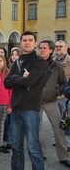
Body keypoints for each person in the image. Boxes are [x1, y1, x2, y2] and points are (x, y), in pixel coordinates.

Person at [4, 31, 47, 170]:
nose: (27, 42)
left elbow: (29, 82)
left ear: (35, 43)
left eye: (30, 40)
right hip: (16, 108)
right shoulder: (17, 61)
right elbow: (6, 82)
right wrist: (20, 78)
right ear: (20, 43)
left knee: (33, 147)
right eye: (24, 40)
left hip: (30, 109)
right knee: (16, 147)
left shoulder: (39, 62)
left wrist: (17, 78)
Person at [37, 39, 70, 167]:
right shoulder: (35, 64)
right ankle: (42, 153)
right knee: (37, 130)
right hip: (36, 102)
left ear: (51, 50)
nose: (42, 50)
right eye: (40, 48)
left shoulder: (57, 66)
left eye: (45, 48)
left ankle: (63, 156)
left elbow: (63, 83)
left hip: (51, 102)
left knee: (59, 129)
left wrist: (58, 91)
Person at [4, 47, 23, 149]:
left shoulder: (22, 67)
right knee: (11, 120)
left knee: (17, 120)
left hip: (19, 96)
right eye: (13, 54)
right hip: (9, 95)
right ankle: (11, 140)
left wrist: (16, 81)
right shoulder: (9, 67)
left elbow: (23, 82)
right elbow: (7, 82)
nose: (14, 56)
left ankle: (15, 139)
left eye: (16, 54)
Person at [53, 40, 70, 151]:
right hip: (55, 94)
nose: (58, 48)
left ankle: (67, 143)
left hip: (66, 95)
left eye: (61, 46)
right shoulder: (53, 60)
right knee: (59, 119)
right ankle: (60, 141)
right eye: (57, 46)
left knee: (67, 118)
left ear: (66, 47)